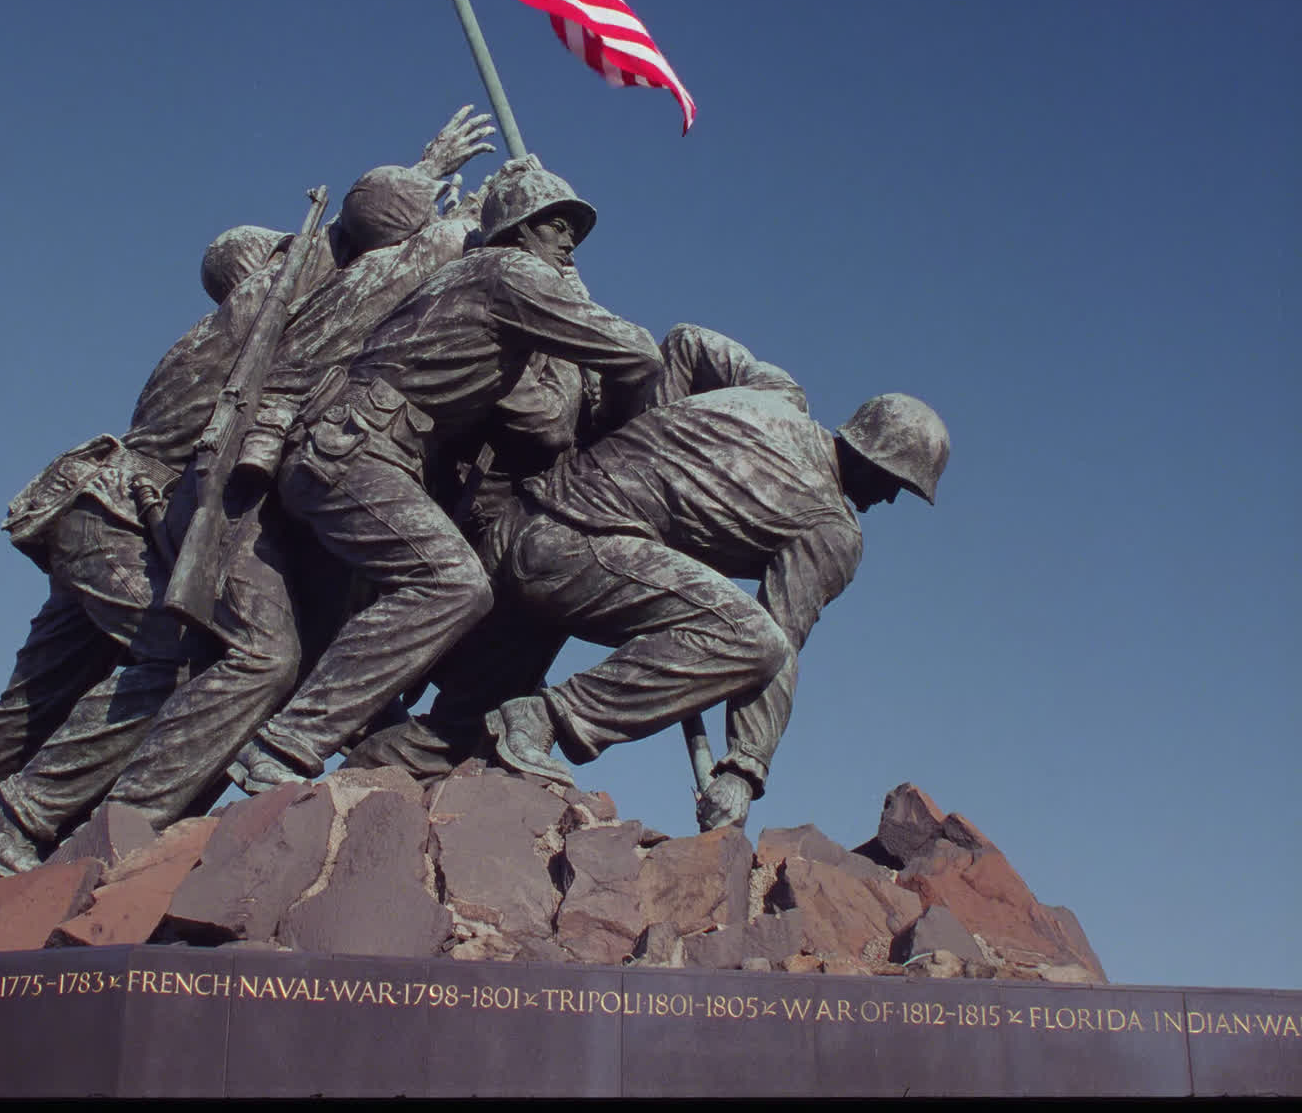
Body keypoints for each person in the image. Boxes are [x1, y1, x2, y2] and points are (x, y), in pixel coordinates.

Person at [0, 110, 496, 913]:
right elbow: (364, 256)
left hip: (101, 516)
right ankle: (29, 830)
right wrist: (445, 199)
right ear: (264, 267)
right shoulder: (258, 315)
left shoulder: (224, 327)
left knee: (30, 707)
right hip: (122, 517)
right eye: (285, 251)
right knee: (200, 658)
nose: (301, 253)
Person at [353, 326, 950, 833]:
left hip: (524, 532)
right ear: (875, 460)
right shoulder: (832, 528)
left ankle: (352, 788)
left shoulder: (775, 394)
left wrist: (636, 442)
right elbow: (778, 644)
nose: (891, 501)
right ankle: (546, 719)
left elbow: (685, 343)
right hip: (575, 554)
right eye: (896, 484)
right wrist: (745, 767)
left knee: (455, 733)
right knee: (751, 639)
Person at [223, 156, 665, 793]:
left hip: (365, 448)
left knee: (437, 604)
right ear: (518, 227)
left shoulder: (474, 275)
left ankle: (351, 742)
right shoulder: (511, 273)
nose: (568, 240)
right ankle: (287, 746)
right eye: (555, 224)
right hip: (359, 449)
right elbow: (638, 352)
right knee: (452, 584)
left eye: (573, 228)